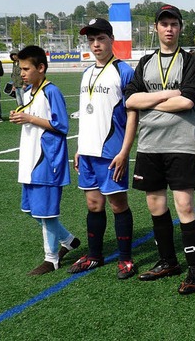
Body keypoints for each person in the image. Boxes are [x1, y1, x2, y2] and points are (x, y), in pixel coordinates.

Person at [124, 4, 195, 295]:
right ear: (156, 28)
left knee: (184, 205)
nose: (169, 29)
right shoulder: (145, 61)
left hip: (181, 144)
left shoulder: (189, 59)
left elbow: (189, 101)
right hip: (149, 145)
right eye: (164, 24)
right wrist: (170, 93)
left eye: (174, 24)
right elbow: (130, 100)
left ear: (180, 28)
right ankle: (168, 261)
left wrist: (150, 100)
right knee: (156, 206)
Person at [65, 18, 137, 279]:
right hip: (87, 151)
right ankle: (95, 256)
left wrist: (125, 151)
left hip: (112, 153)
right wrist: (79, 147)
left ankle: (126, 259)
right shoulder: (86, 74)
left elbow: (132, 115)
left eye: (101, 39)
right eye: (91, 40)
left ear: (111, 40)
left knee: (118, 205)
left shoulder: (124, 71)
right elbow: (86, 115)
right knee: (94, 205)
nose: (96, 44)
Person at [9, 45, 80, 275]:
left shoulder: (52, 91)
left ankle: (51, 259)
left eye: (26, 68)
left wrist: (29, 117)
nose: (22, 73)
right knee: (30, 209)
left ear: (41, 68)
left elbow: (62, 126)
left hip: (46, 161)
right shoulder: (29, 92)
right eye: (20, 69)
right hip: (29, 161)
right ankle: (68, 240)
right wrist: (21, 117)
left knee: (46, 212)